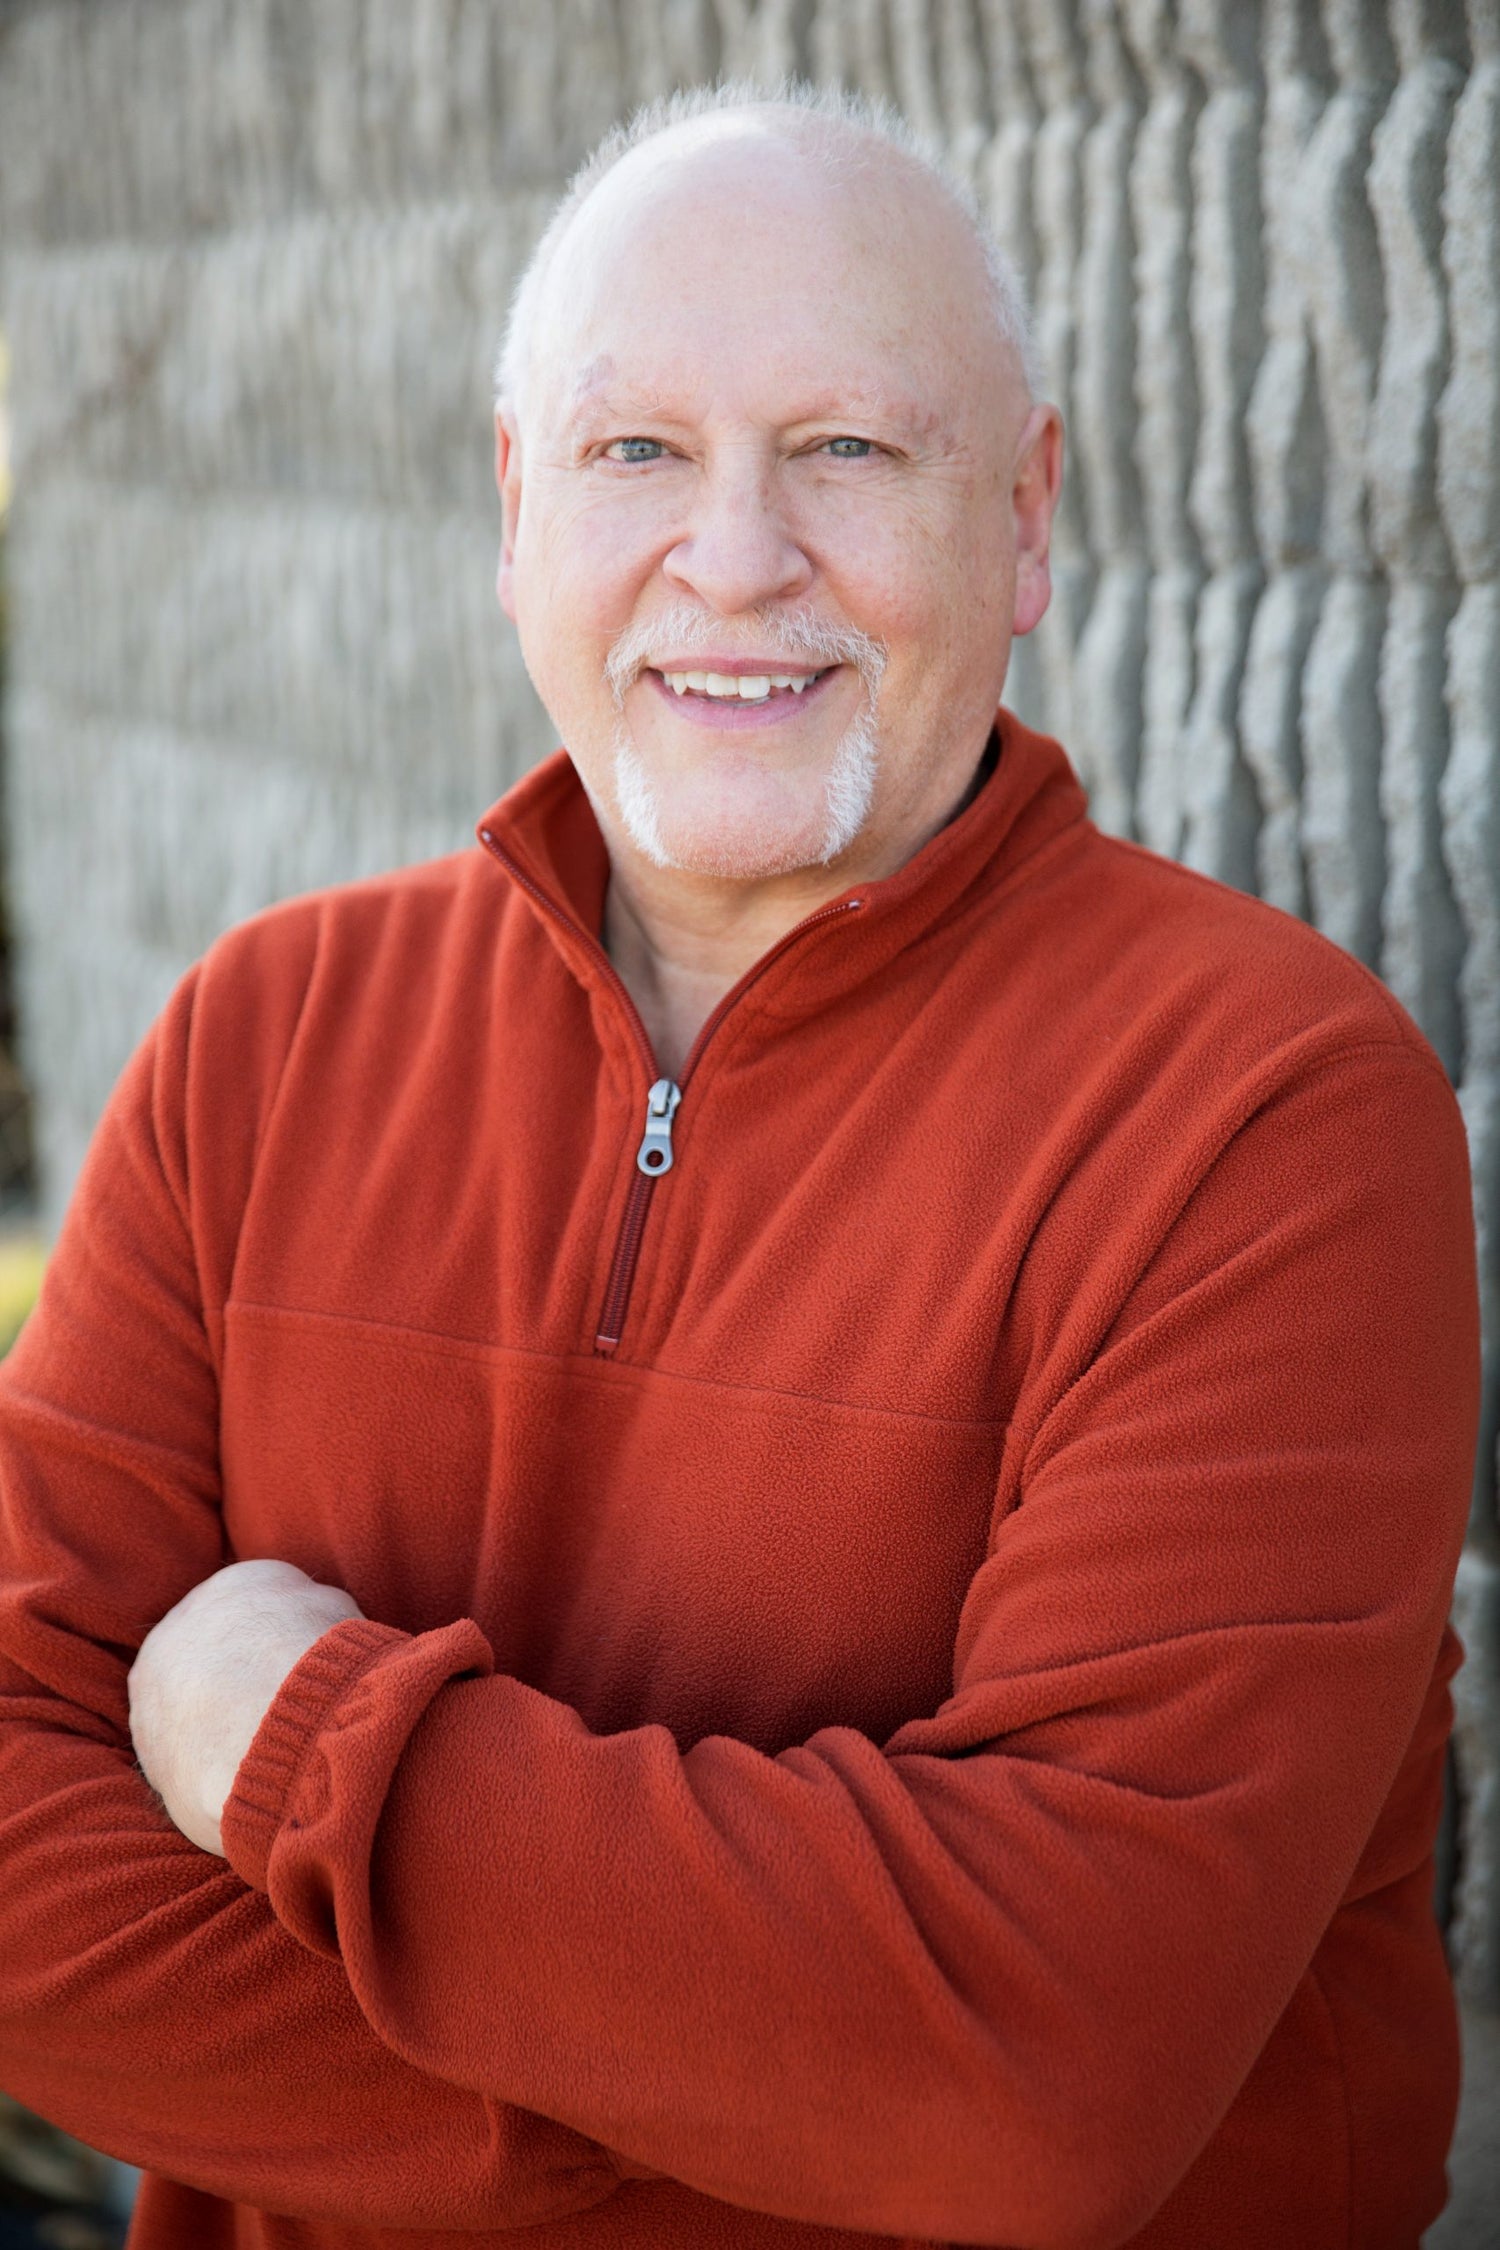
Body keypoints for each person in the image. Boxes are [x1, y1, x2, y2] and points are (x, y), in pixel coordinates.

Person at [0, 81, 1479, 2250]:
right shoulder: (264, 1037)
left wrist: (304, 1739)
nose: (738, 556)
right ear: (517, 511)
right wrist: (763, 2112)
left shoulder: (1267, 1114)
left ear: (1027, 516)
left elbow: (1042, 2070)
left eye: (846, 448)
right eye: (636, 452)